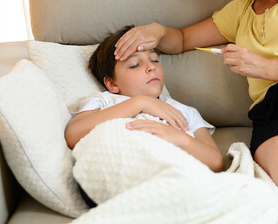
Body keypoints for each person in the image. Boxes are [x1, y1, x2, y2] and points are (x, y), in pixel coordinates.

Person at [113, 0, 278, 222]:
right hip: (272, 111)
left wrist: (267, 67)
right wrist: (158, 31)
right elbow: (182, 40)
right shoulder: (240, 10)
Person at [65, 25, 224, 173]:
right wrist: (140, 103)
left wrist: (181, 139)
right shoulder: (104, 101)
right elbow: (73, 135)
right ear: (112, 83)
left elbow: (216, 163)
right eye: (135, 64)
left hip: (172, 173)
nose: (152, 67)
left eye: (154, 59)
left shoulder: (186, 113)